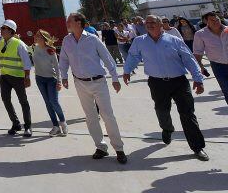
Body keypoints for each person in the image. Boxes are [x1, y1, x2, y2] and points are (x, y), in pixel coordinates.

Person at [123, 15, 209, 161]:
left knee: (188, 114)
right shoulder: (140, 41)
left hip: (179, 82)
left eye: (152, 22)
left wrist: (198, 79)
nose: (149, 24)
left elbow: (188, 59)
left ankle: (197, 147)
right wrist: (127, 70)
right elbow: (133, 56)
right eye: (147, 22)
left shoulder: (174, 40)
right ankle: (167, 129)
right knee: (162, 110)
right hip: (157, 83)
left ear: (160, 24)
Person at [60, 12, 127, 164]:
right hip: (80, 83)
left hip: (98, 82)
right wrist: (64, 76)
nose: (67, 23)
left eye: (70, 20)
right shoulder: (67, 40)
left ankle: (119, 149)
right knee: (90, 117)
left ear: (79, 22)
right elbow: (63, 59)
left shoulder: (93, 39)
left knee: (107, 115)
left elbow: (108, 59)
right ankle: (101, 147)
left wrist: (115, 78)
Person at [0, 20, 33, 137]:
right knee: (5, 99)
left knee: (23, 101)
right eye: (2, 28)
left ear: (11, 31)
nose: (2, 30)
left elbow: (26, 62)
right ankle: (15, 124)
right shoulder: (1, 43)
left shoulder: (18, 44)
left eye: (4, 28)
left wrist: (27, 77)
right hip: (4, 76)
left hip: (17, 77)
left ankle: (28, 127)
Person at [32, 29, 67, 136]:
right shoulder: (34, 48)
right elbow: (24, 50)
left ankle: (63, 123)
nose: (36, 37)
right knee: (47, 103)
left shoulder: (50, 50)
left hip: (51, 79)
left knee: (54, 102)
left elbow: (57, 67)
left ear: (43, 38)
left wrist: (59, 81)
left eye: (38, 36)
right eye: (36, 35)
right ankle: (55, 126)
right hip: (39, 79)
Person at [193, 12, 228, 105]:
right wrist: (200, 66)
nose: (216, 22)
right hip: (219, 66)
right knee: (226, 89)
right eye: (212, 20)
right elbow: (198, 52)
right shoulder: (200, 34)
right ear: (206, 21)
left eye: (217, 19)